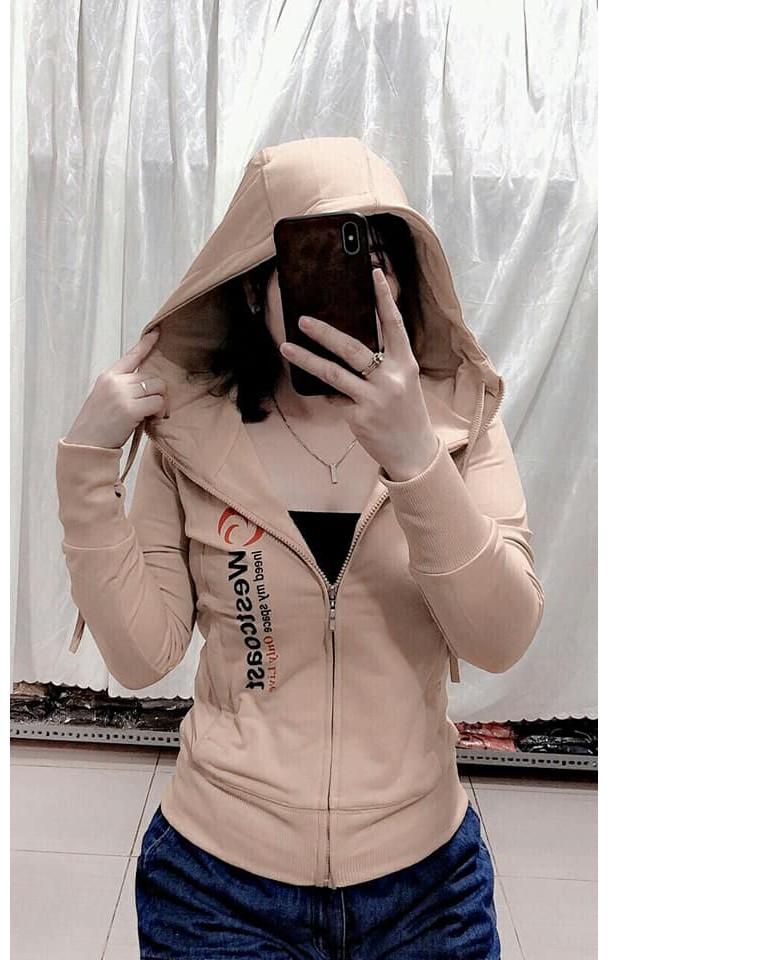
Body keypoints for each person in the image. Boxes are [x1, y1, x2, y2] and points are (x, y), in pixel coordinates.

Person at [56, 137, 544, 959]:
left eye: (378, 257)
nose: (358, 285)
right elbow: (142, 657)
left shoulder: (461, 424)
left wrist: (417, 460)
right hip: (217, 885)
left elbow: (500, 638)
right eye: (316, 259)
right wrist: (86, 468)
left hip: (427, 885)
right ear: (255, 286)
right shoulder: (192, 437)